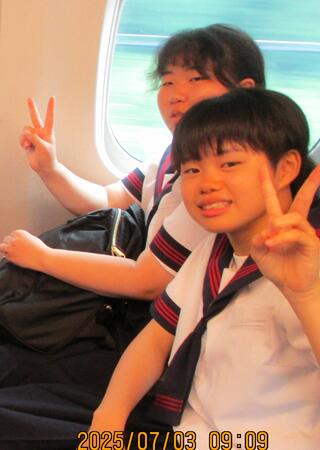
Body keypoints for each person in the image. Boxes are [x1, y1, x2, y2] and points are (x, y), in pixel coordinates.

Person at [0, 23, 265, 392]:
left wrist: (43, 257)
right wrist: (50, 168)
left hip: (165, 330)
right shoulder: (173, 155)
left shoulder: (213, 188)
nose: (176, 95)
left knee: (11, 357)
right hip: (144, 309)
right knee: (6, 326)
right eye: (168, 82)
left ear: (244, 92)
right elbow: (109, 198)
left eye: (196, 79)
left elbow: (146, 282)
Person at [91, 88, 320, 449]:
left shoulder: (308, 264)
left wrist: (306, 295)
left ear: (286, 168)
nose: (207, 183)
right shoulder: (216, 247)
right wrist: (108, 419)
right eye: (193, 169)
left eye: (229, 164)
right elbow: (157, 337)